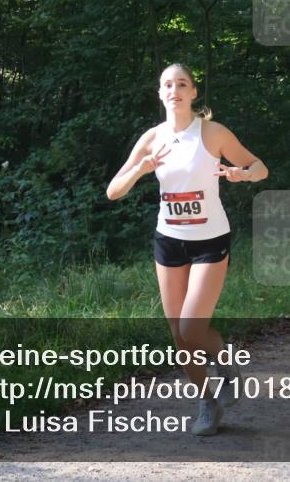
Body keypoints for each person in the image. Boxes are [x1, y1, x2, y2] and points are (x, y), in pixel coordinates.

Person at [106, 63, 268, 436]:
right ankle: (207, 402)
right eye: (167, 84)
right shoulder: (152, 138)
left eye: (182, 84)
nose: (174, 90)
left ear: (193, 92)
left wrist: (244, 174)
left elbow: (261, 167)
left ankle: (226, 364)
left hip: (210, 240)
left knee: (192, 328)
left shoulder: (212, 133)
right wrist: (141, 169)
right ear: (160, 93)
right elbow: (114, 191)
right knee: (179, 337)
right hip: (169, 241)